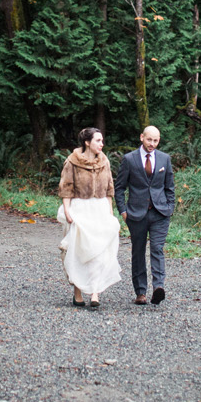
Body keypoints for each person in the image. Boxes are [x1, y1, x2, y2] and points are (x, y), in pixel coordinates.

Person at [55, 127, 122, 309]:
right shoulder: (72, 161)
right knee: (79, 251)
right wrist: (68, 211)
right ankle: (77, 292)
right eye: (98, 140)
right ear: (87, 142)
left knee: (100, 251)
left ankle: (95, 292)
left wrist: (109, 212)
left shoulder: (104, 161)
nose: (102, 144)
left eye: (102, 140)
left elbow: (109, 189)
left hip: (99, 208)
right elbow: (66, 188)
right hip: (80, 207)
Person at [115, 125, 174, 306]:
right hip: (136, 214)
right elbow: (119, 188)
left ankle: (158, 287)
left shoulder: (164, 159)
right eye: (149, 140)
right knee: (138, 252)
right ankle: (140, 292)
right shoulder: (129, 159)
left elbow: (169, 187)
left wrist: (169, 208)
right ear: (142, 137)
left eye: (156, 141)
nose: (152, 144)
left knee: (157, 249)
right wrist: (123, 211)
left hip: (160, 213)